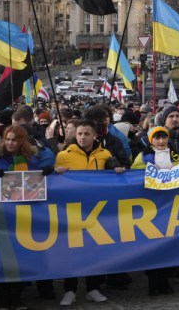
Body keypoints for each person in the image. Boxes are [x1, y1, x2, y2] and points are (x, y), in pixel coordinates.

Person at [55, 119, 124, 305]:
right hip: (72, 211)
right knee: (72, 251)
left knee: (95, 250)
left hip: (96, 211)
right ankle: (70, 290)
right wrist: (56, 172)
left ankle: (93, 288)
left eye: (86, 134)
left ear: (95, 136)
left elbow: (114, 171)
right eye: (79, 134)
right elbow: (53, 183)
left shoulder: (105, 154)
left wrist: (117, 169)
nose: (83, 137)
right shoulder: (63, 155)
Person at [0, 125, 55, 309]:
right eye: (7, 139)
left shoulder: (31, 160)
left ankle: (17, 297)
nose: (10, 143)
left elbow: (35, 182)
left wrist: (48, 173)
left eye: (14, 139)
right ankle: (3, 299)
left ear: (21, 141)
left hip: (22, 217)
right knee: (2, 258)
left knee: (19, 258)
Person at [130, 126, 179, 296]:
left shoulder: (173, 155)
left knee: (167, 245)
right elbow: (133, 175)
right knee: (152, 245)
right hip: (149, 207)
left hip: (168, 206)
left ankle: (164, 280)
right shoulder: (143, 157)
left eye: (163, 137)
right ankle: (153, 281)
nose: (161, 141)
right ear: (151, 140)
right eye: (157, 138)